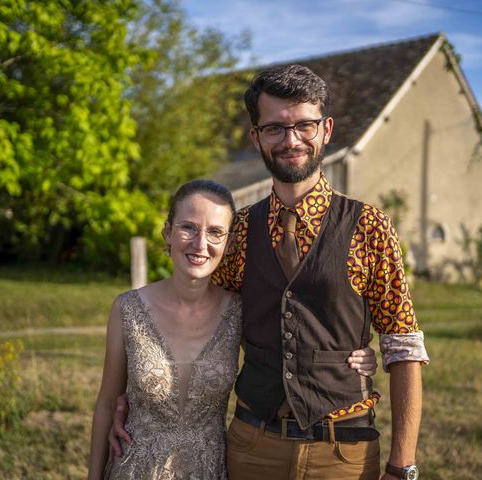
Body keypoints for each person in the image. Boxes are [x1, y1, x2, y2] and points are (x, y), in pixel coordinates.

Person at [112, 64, 429, 480]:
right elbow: (195, 314)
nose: (290, 139)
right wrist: (131, 395)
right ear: (256, 137)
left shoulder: (370, 226)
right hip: (252, 445)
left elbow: (403, 347)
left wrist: (402, 466)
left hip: (344, 452)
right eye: (275, 128)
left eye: (304, 125)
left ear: (327, 129)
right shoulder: (237, 230)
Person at [89, 179, 377, 479]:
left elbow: (288, 350)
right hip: (135, 468)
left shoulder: (239, 310)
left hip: (209, 470)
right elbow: (108, 402)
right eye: (188, 227)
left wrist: (352, 355)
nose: (200, 244)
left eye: (214, 232)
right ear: (167, 232)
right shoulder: (128, 309)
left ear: (228, 243)